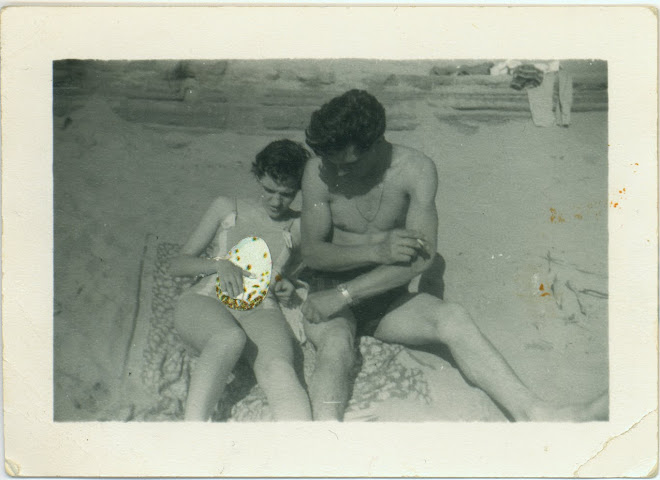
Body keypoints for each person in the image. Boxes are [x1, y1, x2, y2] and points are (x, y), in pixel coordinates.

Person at [299, 89, 607, 421]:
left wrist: (351, 292)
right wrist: (374, 253)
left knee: (453, 317)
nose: (339, 174)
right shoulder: (320, 171)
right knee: (336, 346)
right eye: (332, 163)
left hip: (381, 294)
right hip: (328, 291)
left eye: (350, 164)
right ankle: (325, 439)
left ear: (376, 142)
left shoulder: (415, 170)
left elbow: (421, 259)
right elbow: (313, 253)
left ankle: (537, 412)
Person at [169, 139, 312, 421]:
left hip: (260, 308)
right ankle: (191, 437)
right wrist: (219, 264)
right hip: (207, 300)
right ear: (258, 177)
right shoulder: (226, 207)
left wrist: (288, 284)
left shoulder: (299, 226)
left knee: (280, 369)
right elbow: (177, 264)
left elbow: (292, 275)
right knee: (228, 338)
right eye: (269, 190)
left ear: (298, 190)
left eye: (286, 194)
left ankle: (303, 450)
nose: (276, 201)